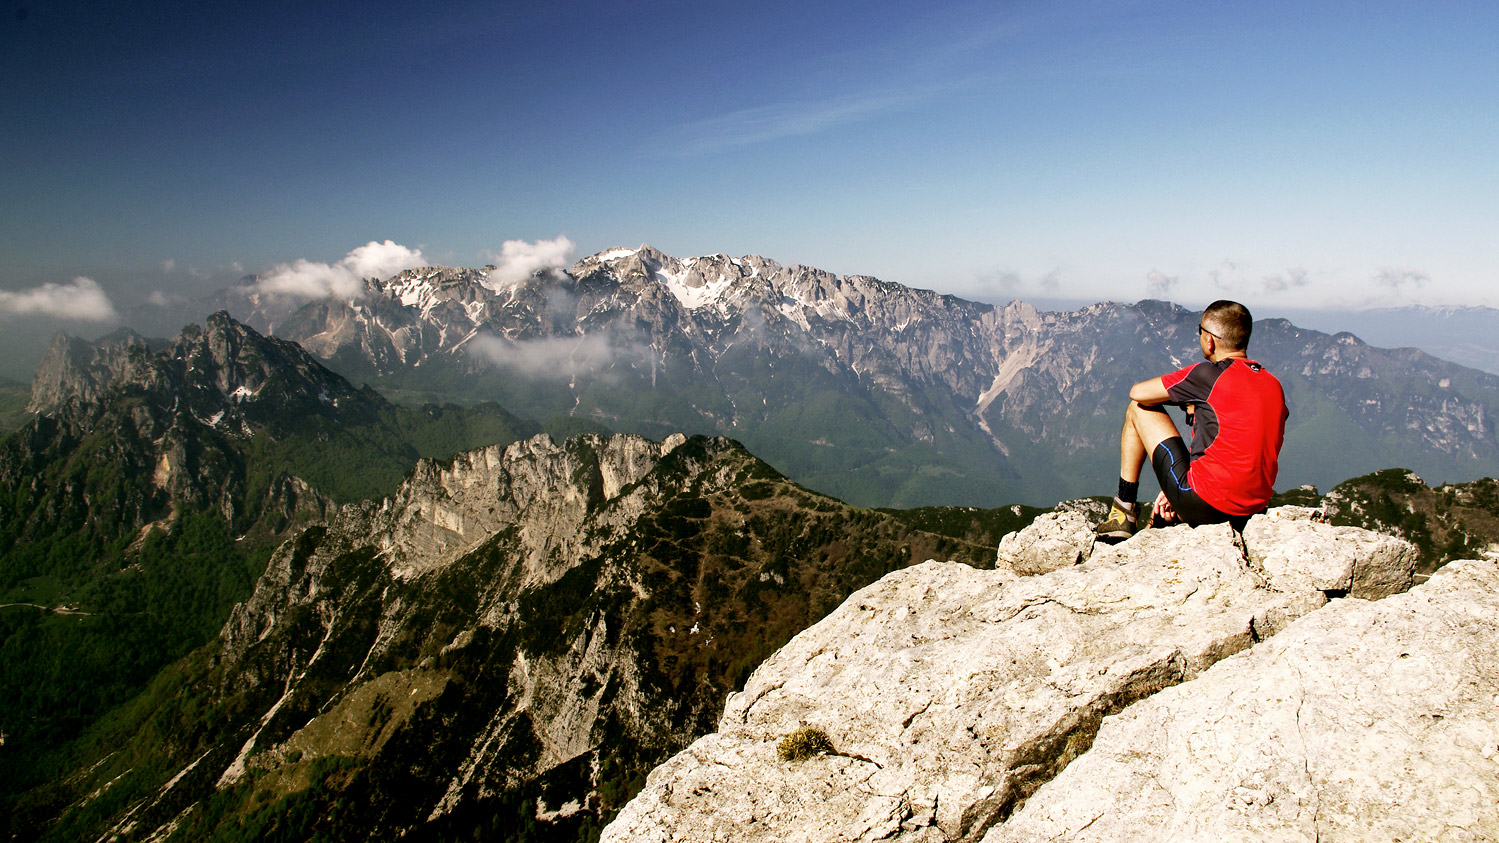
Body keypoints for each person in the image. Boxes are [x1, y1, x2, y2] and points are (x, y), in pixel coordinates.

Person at [1094, 300, 1288, 542]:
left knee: (1138, 409)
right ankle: (1169, 512)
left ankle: (1123, 513)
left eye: (1200, 331)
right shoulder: (1273, 384)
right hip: (1252, 507)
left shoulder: (1207, 375)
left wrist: (1187, 397)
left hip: (1207, 503)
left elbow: (1139, 392)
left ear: (1210, 340)